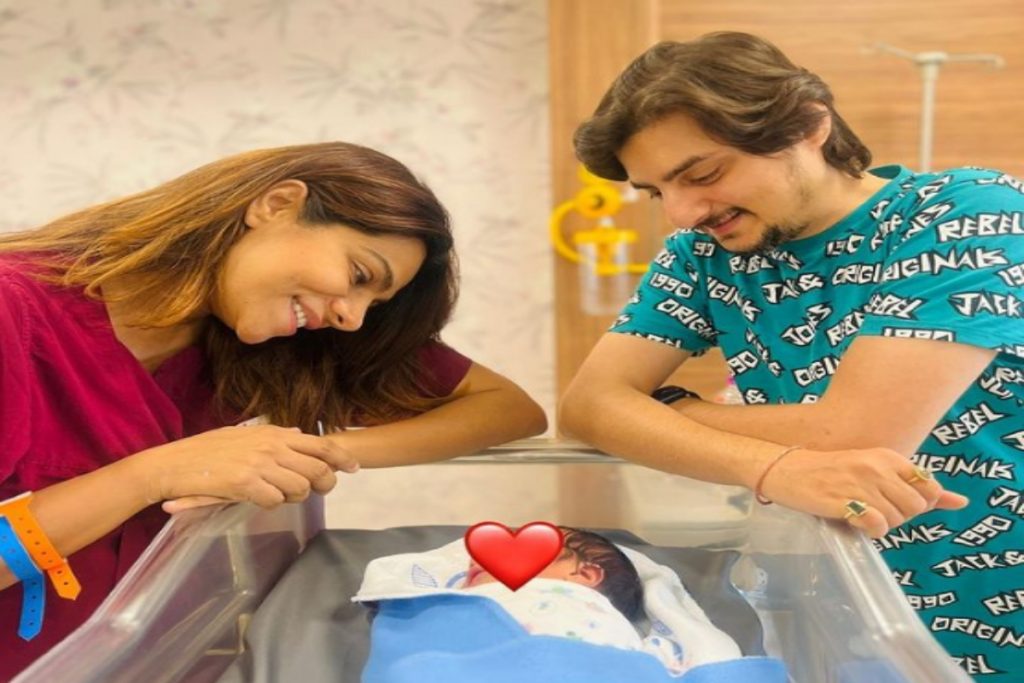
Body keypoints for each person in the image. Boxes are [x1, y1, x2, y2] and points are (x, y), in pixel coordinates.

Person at [560, 31, 1023, 680]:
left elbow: (855, 434)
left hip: (999, 598)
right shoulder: (703, 257)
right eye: (656, 191)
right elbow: (585, 406)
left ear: (809, 125)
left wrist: (673, 410)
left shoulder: (964, 213)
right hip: (845, 596)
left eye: (703, 174)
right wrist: (773, 466)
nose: (682, 213)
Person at [0, 141, 547, 677]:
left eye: (374, 304)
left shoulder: (275, 349)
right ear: (277, 205)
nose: (354, 318)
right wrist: (153, 475)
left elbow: (508, 409)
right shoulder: (15, 310)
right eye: (359, 275)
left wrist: (316, 450)